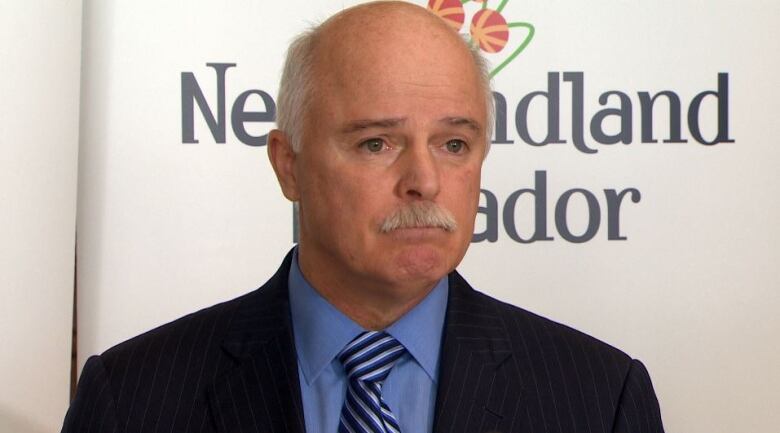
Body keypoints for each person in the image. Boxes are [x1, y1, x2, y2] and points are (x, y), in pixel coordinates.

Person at [62, 2, 665, 432]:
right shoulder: (134, 396)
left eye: (454, 144)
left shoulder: (597, 396)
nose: (425, 181)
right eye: (377, 143)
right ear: (289, 165)